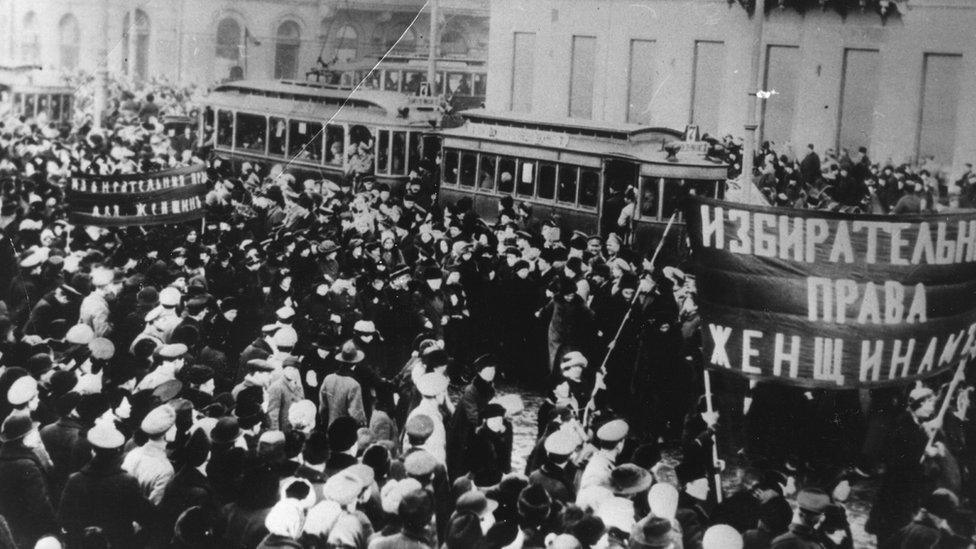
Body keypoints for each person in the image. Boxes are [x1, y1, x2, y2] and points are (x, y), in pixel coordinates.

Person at [59, 420, 153, 548]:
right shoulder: (127, 482)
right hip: (118, 543)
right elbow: (146, 516)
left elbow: (64, 518)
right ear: (118, 451)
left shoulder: (75, 480)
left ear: (93, 450)